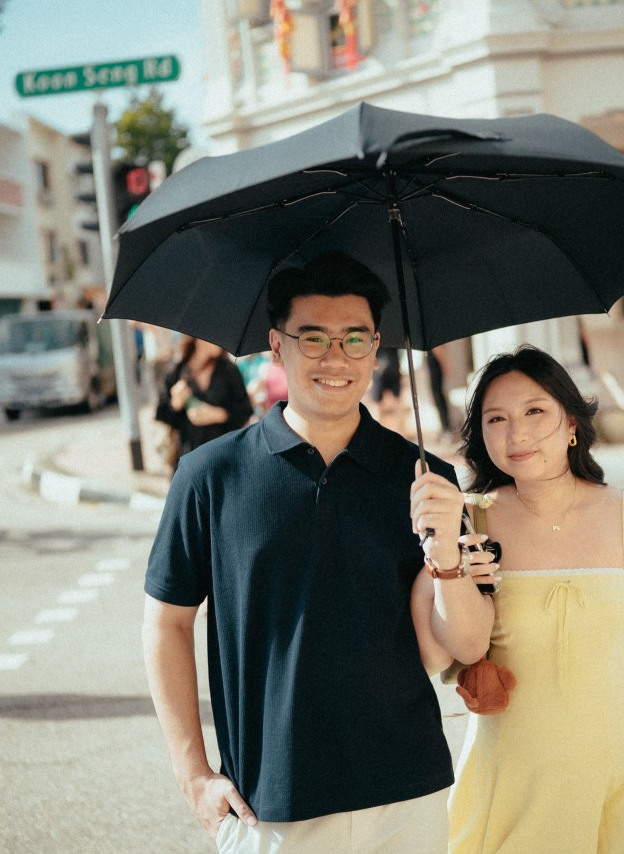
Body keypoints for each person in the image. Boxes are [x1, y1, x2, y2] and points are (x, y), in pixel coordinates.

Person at [142, 251, 496, 853]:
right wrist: (193, 774)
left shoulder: (426, 480)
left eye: (355, 339)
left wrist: (447, 554)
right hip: (269, 804)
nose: (336, 358)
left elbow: (463, 646)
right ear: (276, 348)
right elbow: (166, 623)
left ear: (377, 348)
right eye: (313, 338)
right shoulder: (210, 476)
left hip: (407, 796)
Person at [416, 345, 624, 852]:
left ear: (572, 422)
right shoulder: (466, 524)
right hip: (513, 784)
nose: (517, 434)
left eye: (535, 411)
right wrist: (445, 553)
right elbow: (450, 651)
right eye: (496, 419)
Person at [154, 337, 253, 474]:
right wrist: (175, 404)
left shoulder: (229, 371)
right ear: (198, 339)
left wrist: (219, 415)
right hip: (188, 459)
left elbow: (245, 411)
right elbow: (161, 414)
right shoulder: (177, 372)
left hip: (223, 459)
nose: (220, 340)